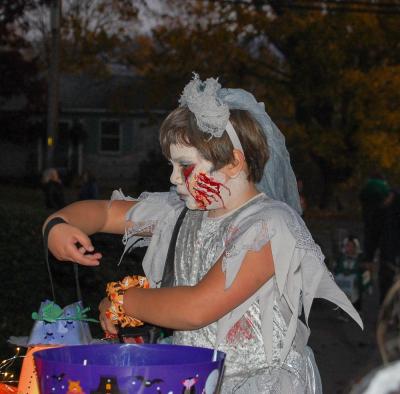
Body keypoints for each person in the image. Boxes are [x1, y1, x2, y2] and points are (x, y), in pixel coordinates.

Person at [43, 75, 362, 393]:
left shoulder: (270, 226)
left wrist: (124, 300)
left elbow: (196, 309)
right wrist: (58, 224)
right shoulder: (179, 212)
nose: (173, 178)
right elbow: (106, 212)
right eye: (171, 164)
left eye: (184, 165)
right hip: (196, 380)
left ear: (234, 163)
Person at [359, 173, 390, 265]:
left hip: (369, 219)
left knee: (369, 245)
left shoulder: (367, 186)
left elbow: (361, 196)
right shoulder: (385, 187)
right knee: (383, 246)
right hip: (383, 221)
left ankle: (367, 263)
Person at [333, 236, 370, 313]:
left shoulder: (360, 259)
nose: (349, 248)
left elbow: (366, 273)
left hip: (355, 285)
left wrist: (366, 285)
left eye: (352, 246)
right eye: (347, 246)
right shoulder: (341, 258)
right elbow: (336, 269)